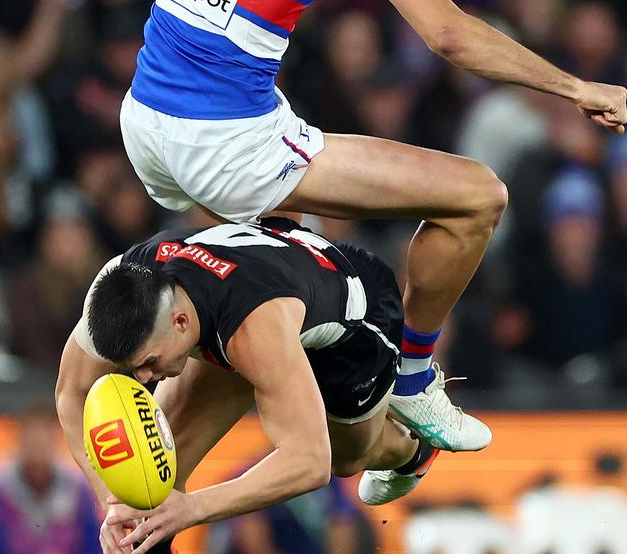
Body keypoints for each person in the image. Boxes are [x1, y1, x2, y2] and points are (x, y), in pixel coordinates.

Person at [118, 0, 626, 460]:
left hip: (150, 114)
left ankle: (178, 451)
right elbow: (449, 36)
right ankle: (414, 377)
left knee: (276, 282)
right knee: (478, 196)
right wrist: (576, 85)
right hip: (224, 141)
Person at [55, 218, 446, 554]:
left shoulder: (252, 331)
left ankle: (413, 449)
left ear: (179, 323)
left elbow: (309, 463)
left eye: (150, 363)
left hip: (357, 318)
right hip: (260, 295)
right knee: (148, 488)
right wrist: (112, 501)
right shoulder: (120, 285)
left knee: (347, 459)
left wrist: (191, 508)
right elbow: (70, 393)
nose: (143, 380)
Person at [0, 404, 101, 554]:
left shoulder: (80, 492)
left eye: (43, 438)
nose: (37, 447)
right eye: (32, 439)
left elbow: (93, 544)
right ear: (19, 440)